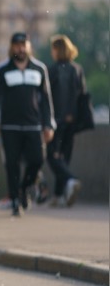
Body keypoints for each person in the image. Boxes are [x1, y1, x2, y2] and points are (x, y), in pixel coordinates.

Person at [0, 32, 55, 217]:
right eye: (17, 45)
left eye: (23, 45)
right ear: (11, 47)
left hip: (33, 125)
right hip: (9, 126)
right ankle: (16, 200)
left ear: (28, 46)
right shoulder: (2, 69)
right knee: (12, 164)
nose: (20, 48)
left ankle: (24, 188)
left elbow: (46, 100)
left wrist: (49, 125)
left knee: (37, 160)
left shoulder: (39, 69)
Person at [46, 34, 85, 207]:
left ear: (57, 50)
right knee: (64, 156)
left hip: (56, 120)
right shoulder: (77, 69)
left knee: (51, 155)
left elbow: (47, 97)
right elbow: (82, 95)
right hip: (73, 120)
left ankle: (70, 180)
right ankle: (59, 195)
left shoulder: (52, 70)